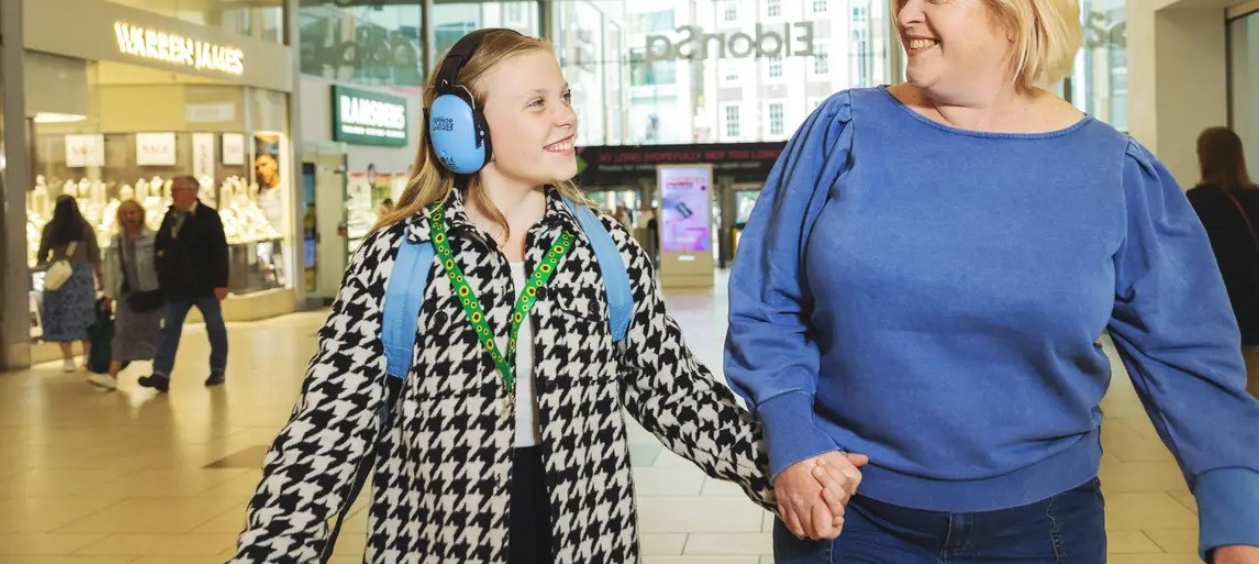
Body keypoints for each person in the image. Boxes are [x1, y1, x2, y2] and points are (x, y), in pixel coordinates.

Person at [724, 0, 1259, 564]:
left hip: (1044, 528)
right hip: (847, 516)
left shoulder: (1115, 171)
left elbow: (1189, 355)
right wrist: (792, 436)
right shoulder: (844, 130)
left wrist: (1243, 522)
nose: (907, 14)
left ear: (1015, 10)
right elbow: (767, 300)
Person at [230, 29, 864, 564]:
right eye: (537, 103)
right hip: (440, 539)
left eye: (563, 96)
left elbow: (673, 390)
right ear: (459, 128)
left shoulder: (603, 250)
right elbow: (327, 434)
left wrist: (785, 461)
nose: (565, 115)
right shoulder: (400, 257)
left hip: (584, 535)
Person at [1186, 127, 1259, 399]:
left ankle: (1220, 433)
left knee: (1213, 370)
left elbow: (1188, 258)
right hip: (1253, 300)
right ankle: (1251, 432)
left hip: (1212, 301)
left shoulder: (1196, 201)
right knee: (1250, 367)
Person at [141, 175, 230, 393]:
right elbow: (161, 244)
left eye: (176, 190)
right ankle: (161, 372)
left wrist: (221, 282)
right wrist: (161, 269)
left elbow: (219, 250)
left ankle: (217, 368)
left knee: (215, 326)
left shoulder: (208, 217)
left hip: (204, 284)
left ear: (191, 191)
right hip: (176, 286)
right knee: (170, 328)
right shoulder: (170, 215)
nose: (173, 195)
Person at [90, 199, 167, 390]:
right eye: (124, 214)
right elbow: (112, 269)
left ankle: (161, 373)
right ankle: (112, 375)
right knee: (121, 334)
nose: (129, 218)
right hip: (127, 294)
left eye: (132, 213)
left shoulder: (154, 239)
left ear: (140, 214)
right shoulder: (116, 242)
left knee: (155, 334)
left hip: (152, 293)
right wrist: (109, 294)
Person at [36, 195, 101, 373]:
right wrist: (100, 278)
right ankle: (87, 356)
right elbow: (94, 254)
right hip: (81, 277)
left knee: (62, 317)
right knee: (85, 317)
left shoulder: (50, 228)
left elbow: (41, 254)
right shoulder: (84, 227)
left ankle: (68, 358)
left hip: (59, 277)